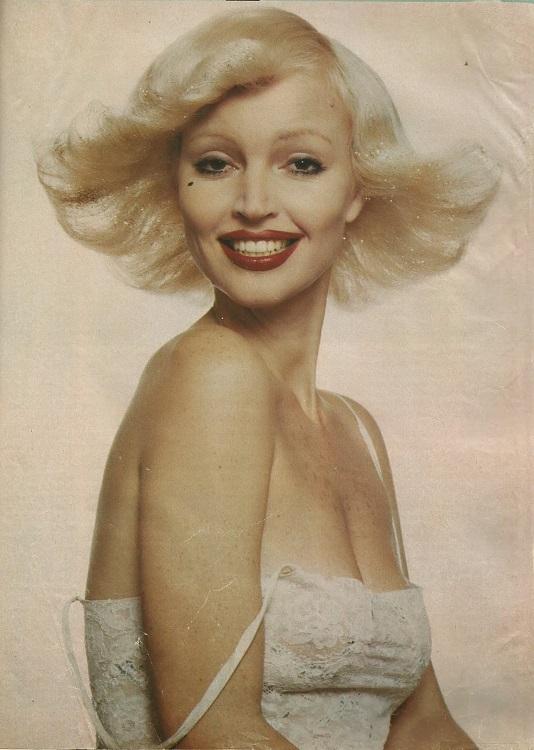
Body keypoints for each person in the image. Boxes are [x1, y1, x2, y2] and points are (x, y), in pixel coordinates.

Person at [39, 8, 500, 749]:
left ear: (359, 189)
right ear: (176, 185)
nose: (253, 204)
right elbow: (218, 735)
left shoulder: (354, 430)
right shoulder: (210, 376)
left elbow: (422, 728)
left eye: (302, 164)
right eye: (216, 164)